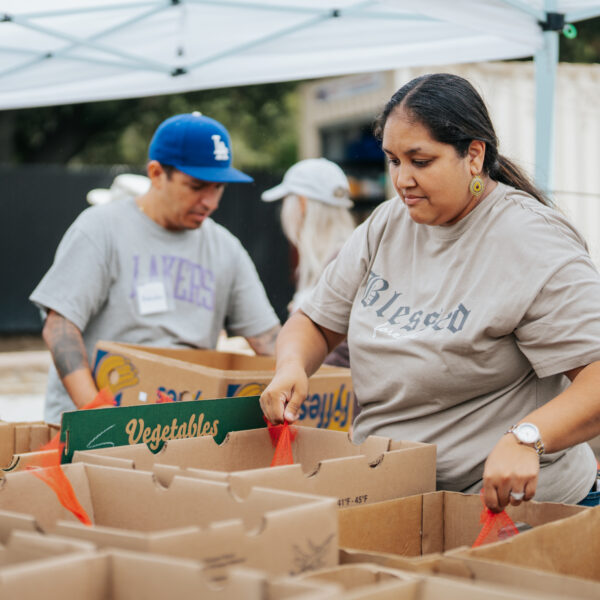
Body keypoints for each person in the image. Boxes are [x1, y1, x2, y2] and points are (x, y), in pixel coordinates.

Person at [260, 73, 600, 513]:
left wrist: (528, 438)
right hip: (387, 498)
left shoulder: (532, 240)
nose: (402, 180)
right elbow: (314, 323)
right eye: (393, 161)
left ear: (473, 155)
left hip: (511, 514)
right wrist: (291, 366)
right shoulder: (385, 226)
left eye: (420, 161)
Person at [31, 112, 281, 423]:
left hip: (182, 427)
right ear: (156, 173)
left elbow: (268, 340)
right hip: (90, 429)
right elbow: (59, 327)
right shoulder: (101, 228)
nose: (211, 201)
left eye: (218, 188)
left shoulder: (225, 247)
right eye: (197, 186)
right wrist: (96, 413)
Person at [261, 158, 356, 367]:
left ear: (302, 203)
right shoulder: (350, 254)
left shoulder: (338, 263)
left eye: (287, 201)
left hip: (336, 393)